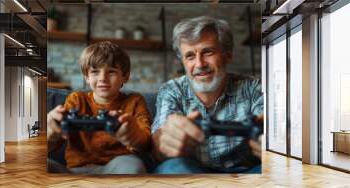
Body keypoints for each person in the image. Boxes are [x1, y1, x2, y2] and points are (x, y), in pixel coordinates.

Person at [151, 16, 263, 174]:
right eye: (190, 56)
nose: (200, 64)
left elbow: (268, 123)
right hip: (192, 171)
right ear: (183, 61)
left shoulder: (252, 87)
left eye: (208, 52)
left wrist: (270, 139)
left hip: (245, 171)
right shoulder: (171, 90)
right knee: (173, 168)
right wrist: (166, 142)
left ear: (227, 55)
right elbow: (160, 141)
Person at [47, 41, 151, 174]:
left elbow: (146, 142)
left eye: (111, 72)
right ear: (87, 77)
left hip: (118, 167)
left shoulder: (134, 101)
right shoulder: (77, 99)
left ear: (125, 76)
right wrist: (50, 132)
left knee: (133, 165)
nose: (103, 78)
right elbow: (52, 146)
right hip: (76, 170)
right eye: (95, 72)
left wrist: (133, 135)